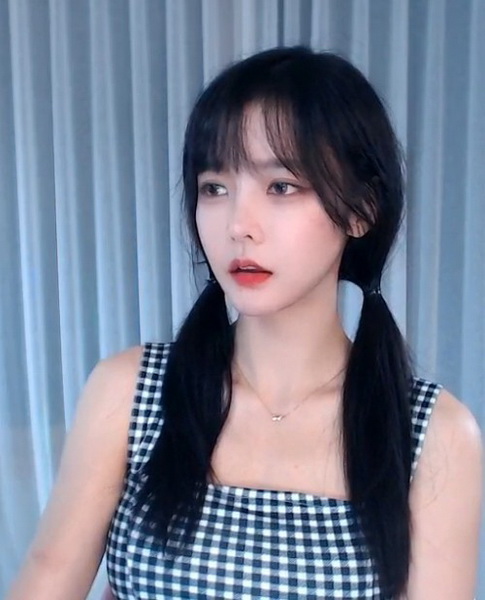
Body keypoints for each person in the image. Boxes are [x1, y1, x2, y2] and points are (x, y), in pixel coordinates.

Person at [7, 46, 482, 600]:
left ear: (360, 210)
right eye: (215, 188)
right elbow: (48, 579)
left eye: (281, 187)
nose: (239, 224)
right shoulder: (131, 391)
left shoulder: (434, 432)